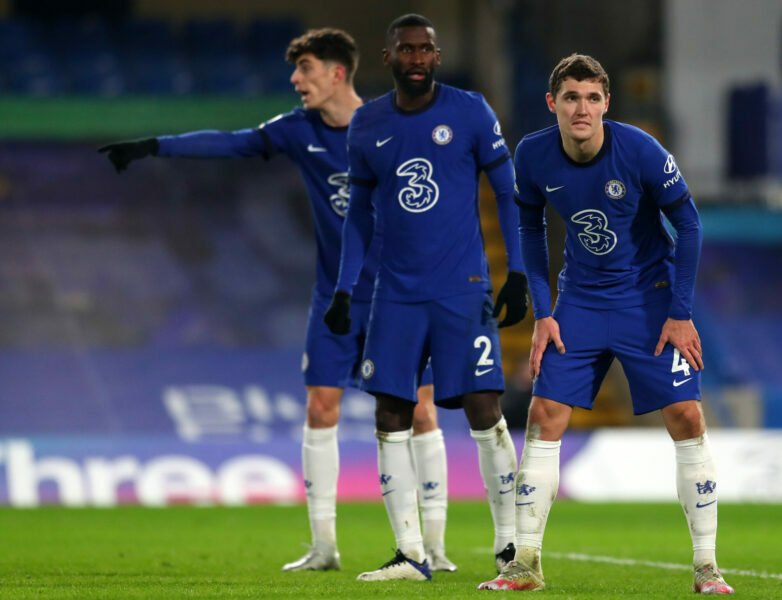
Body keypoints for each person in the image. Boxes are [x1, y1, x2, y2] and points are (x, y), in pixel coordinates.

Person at [97, 28, 459, 573]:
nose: (295, 80)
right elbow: (232, 143)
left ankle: (434, 545)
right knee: (320, 407)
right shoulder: (297, 129)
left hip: (400, 297)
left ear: (337, 72)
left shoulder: (393, 125)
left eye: (305, 68)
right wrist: (154, 146)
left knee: (421, 410)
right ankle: (324, 546)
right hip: (335, 299)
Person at [478, 54, 734, 595]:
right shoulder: (533, 154)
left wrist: (680, 313)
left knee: (686, 415)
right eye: (571, 97)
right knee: (544, 414)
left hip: (649, 299)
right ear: (552, 103)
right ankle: (525, 564)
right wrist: (544, 313)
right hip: (582, 301)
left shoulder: (640, 149)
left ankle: (707, 567)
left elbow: (688, 224)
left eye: (592, 98)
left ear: (606, 104)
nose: (582, 108)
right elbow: (529, 226)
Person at [327, 13, 526, 582]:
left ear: (437, 57)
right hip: (395, 296)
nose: (416, 57)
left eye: (425, 49)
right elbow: (358, 216)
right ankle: (411, 554)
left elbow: (507, 192)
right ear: (387, 57)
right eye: (406, 49)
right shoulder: (366, 124)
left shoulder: (470, 111)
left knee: (485, 409)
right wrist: (344, 288)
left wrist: (515, 272)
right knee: (390, 412)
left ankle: (510, 547)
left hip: (462, 290)